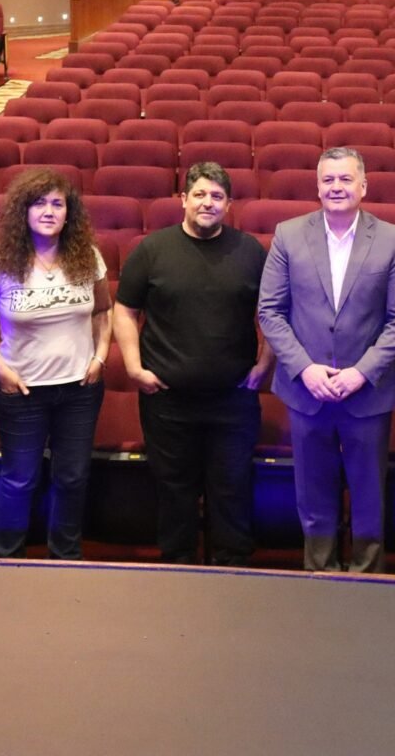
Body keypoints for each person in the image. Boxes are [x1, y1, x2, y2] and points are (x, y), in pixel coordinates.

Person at [258, 147, 395, 573]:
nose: (336, 187)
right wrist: (305, 368)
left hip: (365, 395)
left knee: (369, 497)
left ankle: (368, 579)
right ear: (317, 186)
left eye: (346, 179)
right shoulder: (288, 235)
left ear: (363, 186)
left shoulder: (392, 239)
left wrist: (361, 373)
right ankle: (319, 577)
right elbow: (270, 311)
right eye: (328, 180)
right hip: (305, 391)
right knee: (312, 495)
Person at [113, 162, 271, 566]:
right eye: (199, 194)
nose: (208, 203)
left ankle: (233, 572)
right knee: (174, 489)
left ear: (229, 204)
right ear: (182, 200)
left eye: (217, 196)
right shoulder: (151, 250)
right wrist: (133, 367)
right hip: (167, 400)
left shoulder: (250, 251)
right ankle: (178, 570)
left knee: (232, 488)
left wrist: (264, 364)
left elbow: (273, 313)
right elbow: (125, 310)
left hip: (233, 399)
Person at [0, 169, 110, 561]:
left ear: (69, 214)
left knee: (72, 477)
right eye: (39, 203)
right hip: (21, 391)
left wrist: (100, 356)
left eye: (57, 204)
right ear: (23, 211)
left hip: (80, 390)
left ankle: (65, 556)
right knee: (19, 479)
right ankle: (8, 558)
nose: (49, 211)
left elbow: (104, 310)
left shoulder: (88, 258)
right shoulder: (0, 263)